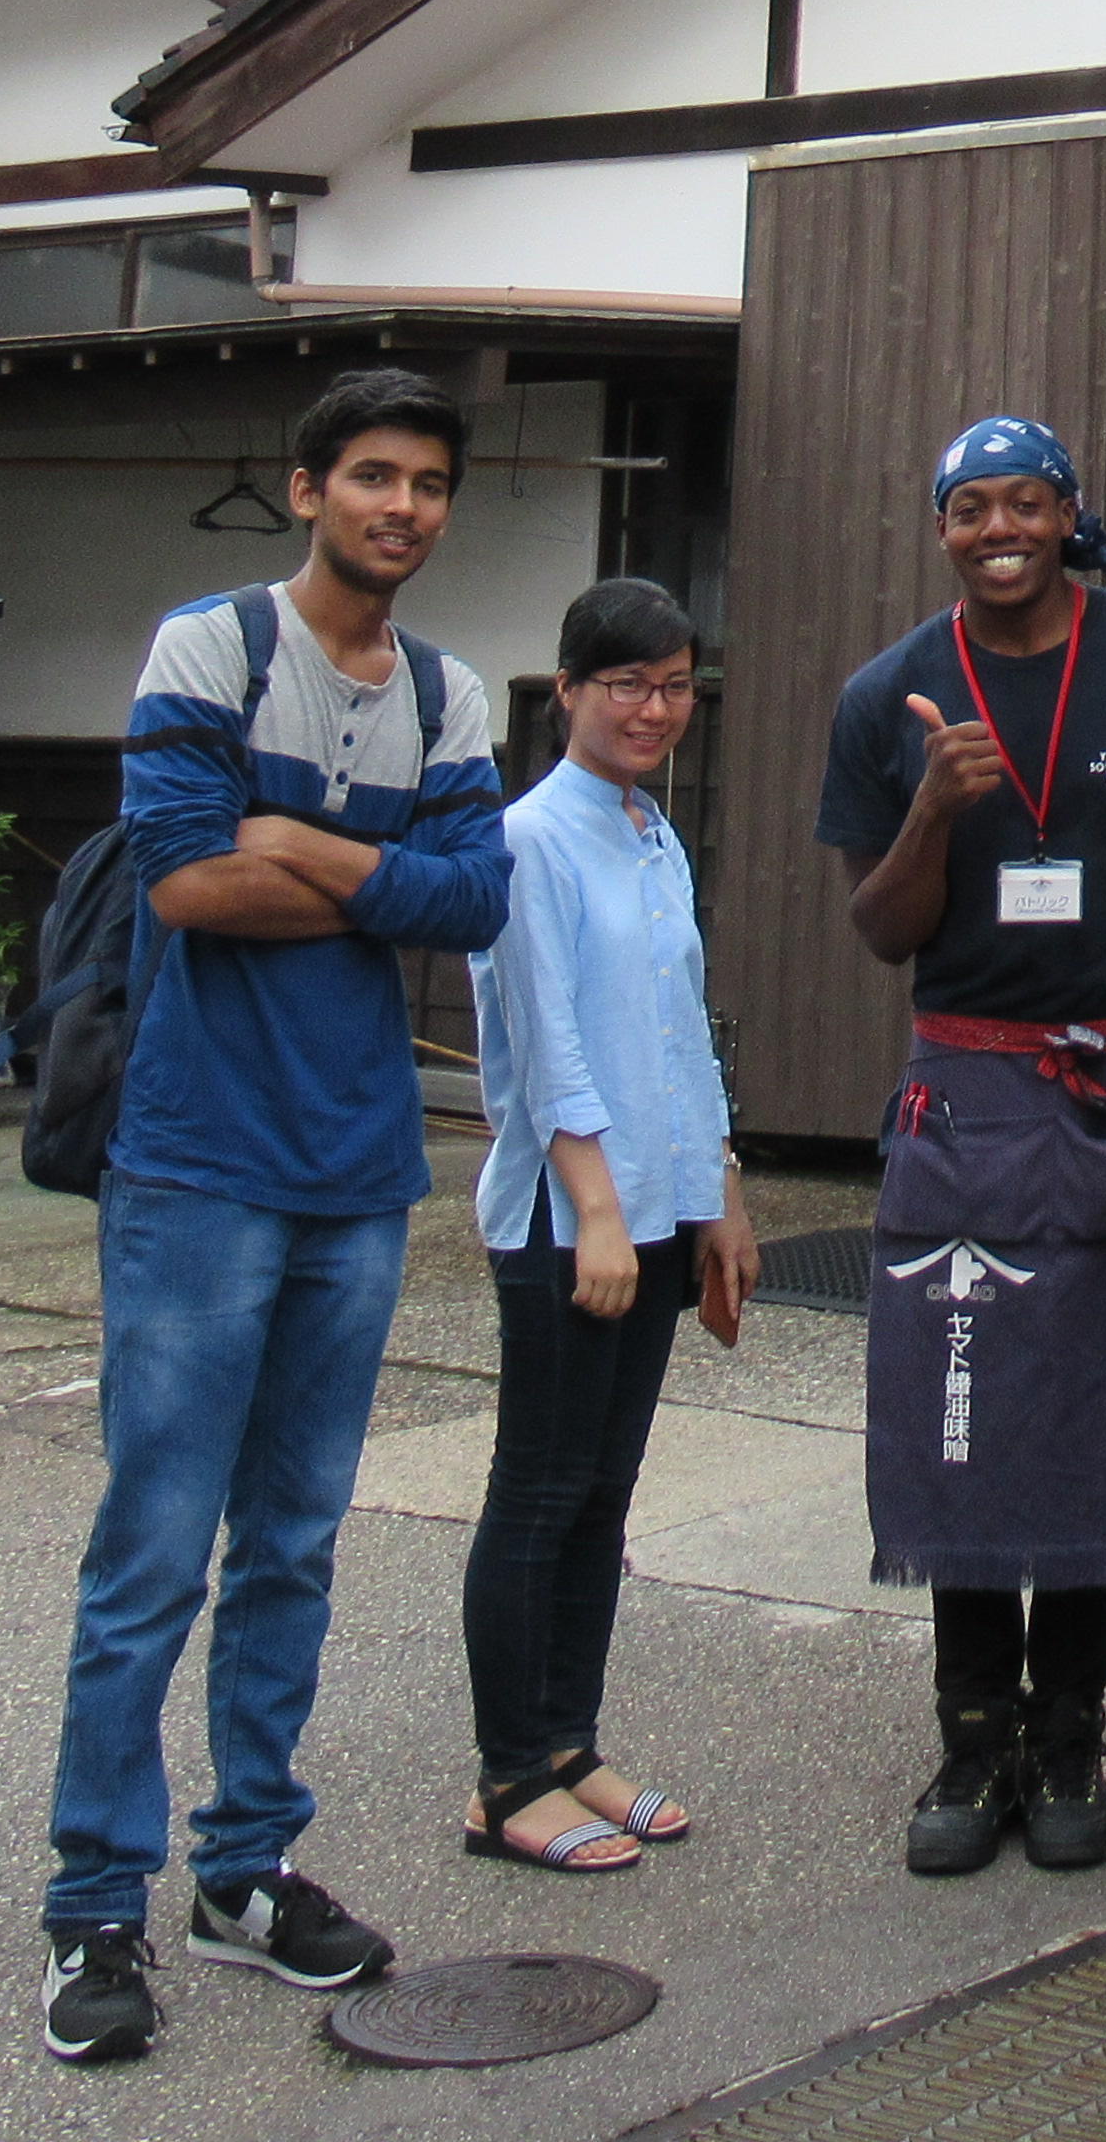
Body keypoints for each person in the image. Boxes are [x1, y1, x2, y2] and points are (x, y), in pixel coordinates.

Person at [40, 369, 511, 2070]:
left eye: (428, 482)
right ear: (309, 487)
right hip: (194, 1162)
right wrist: (372, 875)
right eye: (372, 475)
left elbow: (476, 899)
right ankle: (96, 1898)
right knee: (156, 1546)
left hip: (357, 1168)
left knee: (296, 1540)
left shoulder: (449, 690)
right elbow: (181, 878)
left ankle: (243, 1866)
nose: (402, 506)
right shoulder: (212, 648)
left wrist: (298, 845)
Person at [823, 412, 1106, 1878]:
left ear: (1069, 514)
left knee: (1096, 1417)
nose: (999, 529)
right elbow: (884, 931)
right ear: (941, 527)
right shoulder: (888, 694)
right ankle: (969, 1738)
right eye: (970, 508)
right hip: (970, 1089)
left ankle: (1069, 1734)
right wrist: (934, 812)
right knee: (966, 1418)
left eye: (1025, 503)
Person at [454, 577, 752, 1879]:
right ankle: (508, 1777)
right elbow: (546, 1040)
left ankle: (569, 1744)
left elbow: (681, 1033)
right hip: (569, 1220)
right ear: (567, 689)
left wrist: (721, 1195)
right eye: (627, 683)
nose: (654, 708)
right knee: (538, 1490)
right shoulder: (528, 840)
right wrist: (597, 1211)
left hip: (656, 1208)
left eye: (676, 685)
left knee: (603, 1492)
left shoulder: (650, 832)